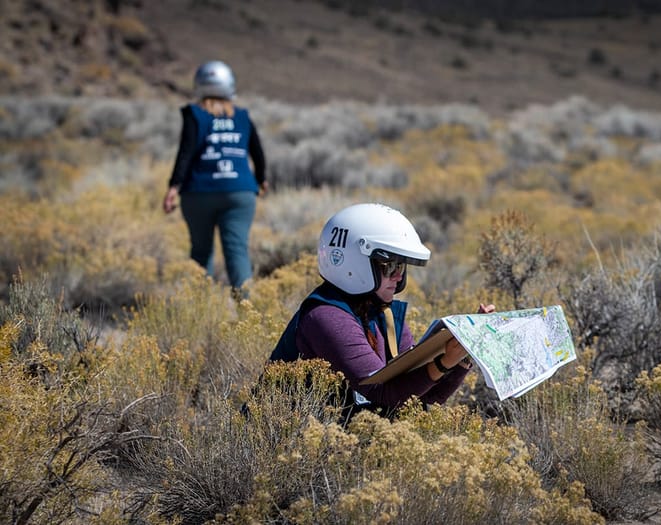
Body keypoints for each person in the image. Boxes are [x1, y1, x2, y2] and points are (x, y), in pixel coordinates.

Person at [270, 202, 494, 420]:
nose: (398, 276)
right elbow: (383, 393)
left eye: (401, 266)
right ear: (353, 265)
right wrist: (443, 363)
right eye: (389, 266)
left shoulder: (384, 314)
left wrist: (463, 355)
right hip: (285, 444)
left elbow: (422, 399)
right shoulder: (327, 317)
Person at [163, 60, 267, 295]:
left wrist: (173, 187)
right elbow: (257, 151)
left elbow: (186, 152)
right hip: (239, 191)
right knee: (237, 251)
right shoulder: (241, 116)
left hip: (199, 191)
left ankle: (200, 308)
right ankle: (246, 308)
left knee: (200, 252)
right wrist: (261, 179)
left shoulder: (195, 114)